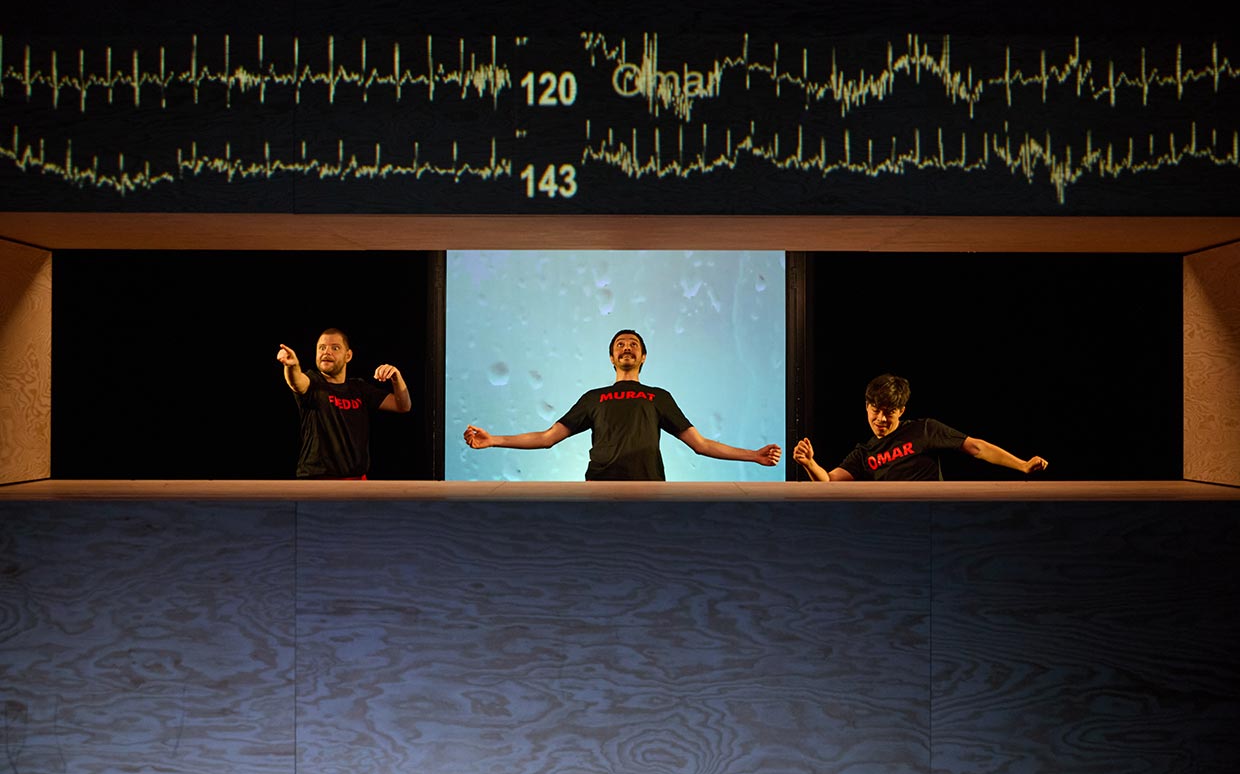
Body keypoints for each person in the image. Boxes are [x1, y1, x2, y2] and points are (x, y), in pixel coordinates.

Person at [463, 329, 782, 480]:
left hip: (649, 489)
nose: (626, 347)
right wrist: (493, 440)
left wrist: (753, 455)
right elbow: (548, 438)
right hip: (599, 487)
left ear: (643, 357)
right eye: (620, 345)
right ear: (612, 357)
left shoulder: (658, 396)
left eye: (633, 344)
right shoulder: (594, 397)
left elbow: (700, 445)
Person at [792, 373, 1047, 481]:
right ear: (867, 407)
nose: (881, 418)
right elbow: (829, 481)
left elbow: (977, 448)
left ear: (901, 411)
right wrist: (809, 463)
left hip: (933, 516)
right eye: (875, 410)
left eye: (889, 412)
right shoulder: (864, 453)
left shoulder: (924, 429)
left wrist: (1022, 465)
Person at [277, 328, 411, 478]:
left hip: (356, 480)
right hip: (317, 480)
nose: (326, 352)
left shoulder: (359, 388)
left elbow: (403, 406)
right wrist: (291, 366)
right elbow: (296, 382)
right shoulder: (313, 383)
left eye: (335, 348)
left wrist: (396, 378)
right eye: (322, 347)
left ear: (348, 356)